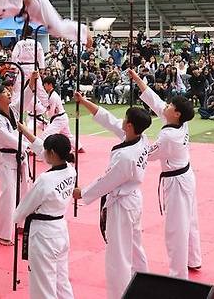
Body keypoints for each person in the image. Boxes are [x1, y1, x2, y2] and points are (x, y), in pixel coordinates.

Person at [72, 92, 151, 299]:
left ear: (130, 126)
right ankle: (144, 286)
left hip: (122, 205)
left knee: (118, 255)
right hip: (133, 201)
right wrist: (84, 101)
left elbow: (107, 182)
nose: (122, 121)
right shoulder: (141, 138)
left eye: (125, 119)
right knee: (134, 248)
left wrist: (83, 193)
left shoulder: (126, 156)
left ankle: (119, 295)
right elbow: (108, 119)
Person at [128, 69, 201, 276]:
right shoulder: (180, 122)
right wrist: (138, 80)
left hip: (177, 182)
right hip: (186, 175)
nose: (166, 106)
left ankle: (178, 274)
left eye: (171, 106)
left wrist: (129, 142)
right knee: (190, 220)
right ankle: (193, 259)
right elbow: (156, 101)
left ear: (176, 113)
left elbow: (147, 154)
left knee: (175, 228)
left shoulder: (169, 136)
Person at [11, 132, 76, 299]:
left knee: (43, 285)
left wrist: (15, 218)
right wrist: (25, 131)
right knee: (61, 281)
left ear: (52, 153)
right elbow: (42, 148)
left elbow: (25, 207)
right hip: (60, 230)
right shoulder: (71, 170)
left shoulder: (45, 180)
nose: (44, 153)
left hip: (43, 235)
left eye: (46, 151)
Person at [0, 85, 30, 246]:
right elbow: (7, 138)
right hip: (7, 158)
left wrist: (32, 81)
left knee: (25, 192)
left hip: (21, 156)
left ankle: (21, 224)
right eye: (5, 92)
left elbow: (26, 97)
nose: (9, 93)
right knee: (8, 196)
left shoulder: (14, 110)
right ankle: (4, 234)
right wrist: (27, 144)